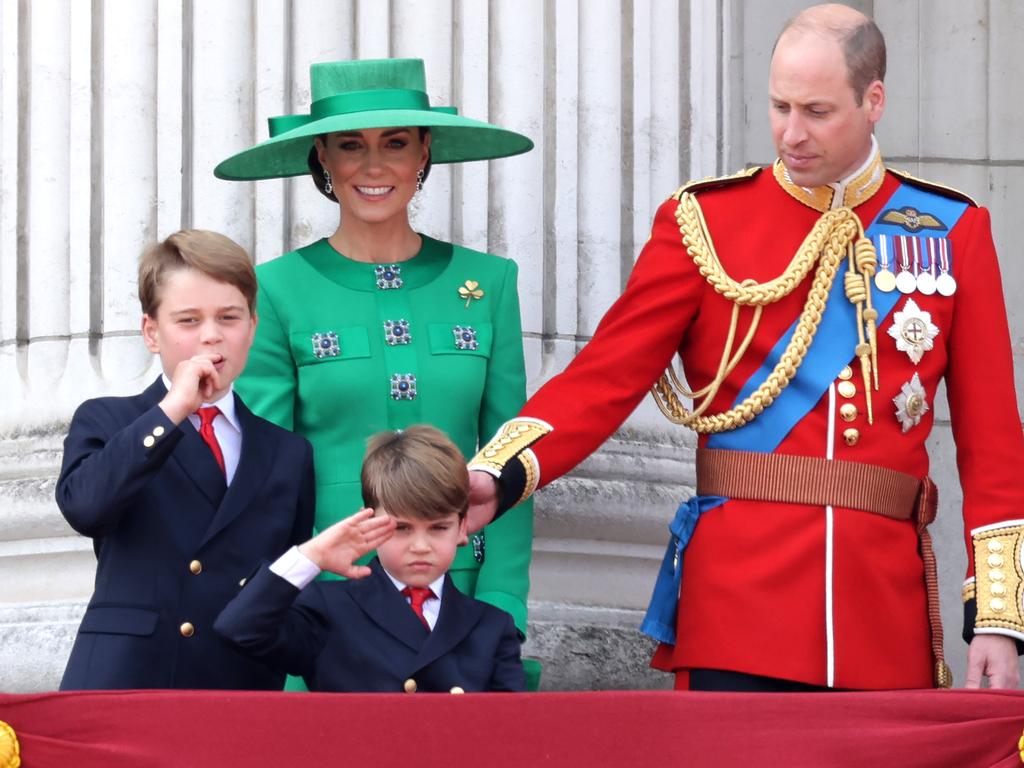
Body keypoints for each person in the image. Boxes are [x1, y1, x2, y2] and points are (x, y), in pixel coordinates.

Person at [466, 3, 1023, 692]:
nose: (792, 133)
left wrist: (998, 617)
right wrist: (500, 472)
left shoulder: (951, 230)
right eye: (780, 106)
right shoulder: (706, 221)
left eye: (818, 111)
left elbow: (993, 443)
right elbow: (604, 376)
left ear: (874, 100)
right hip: (737, 610)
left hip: (881, 614)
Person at [213, 58, 539, 688]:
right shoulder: (276, 290)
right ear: (322, 158)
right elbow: (267, 477)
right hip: (333, 605)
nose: (372, 166)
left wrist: (502, 608)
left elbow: (512, 458)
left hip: (460, 601)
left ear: (424, 152)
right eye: (350, 146)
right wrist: (294, 585)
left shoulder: (491, 284)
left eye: (394, 143)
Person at [56, 230, 315, 690]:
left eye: (229, 318)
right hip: (128, 679)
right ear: (152, 333)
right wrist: (174, 409)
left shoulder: (287, 452)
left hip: (238, 683)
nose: (211, 335)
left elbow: (285, 584)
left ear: (252, 328)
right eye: (189, 320)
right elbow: (86, 507)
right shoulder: (111, 420)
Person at [215, 425, 526, 692]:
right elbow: (239, 628)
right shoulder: (329, 608)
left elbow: (510, 734)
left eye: (438, 528)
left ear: (462, 527)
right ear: (368, 521)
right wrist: (310, 556)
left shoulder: (491, 627)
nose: (420, 545)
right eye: (401, 528)